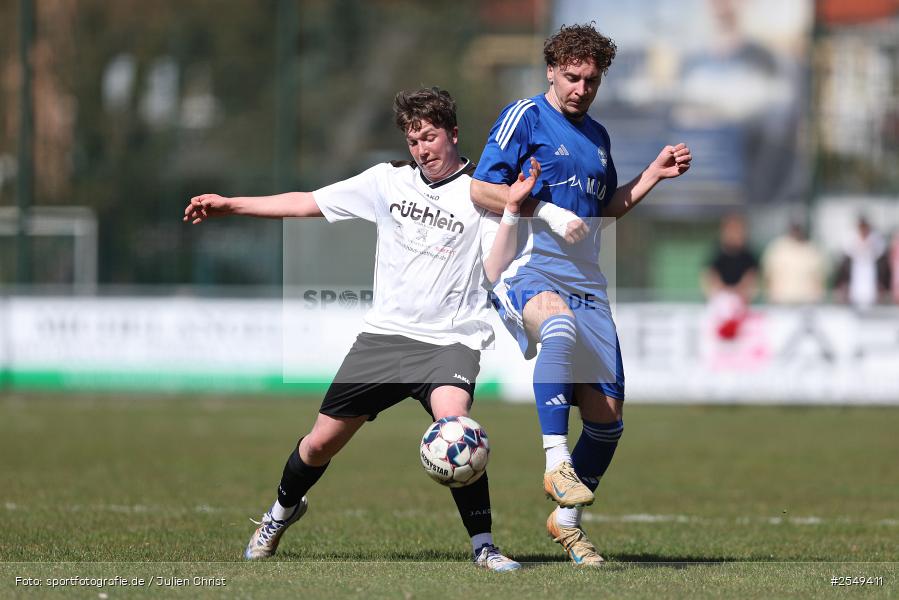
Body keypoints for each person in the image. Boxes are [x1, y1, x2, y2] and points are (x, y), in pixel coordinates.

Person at [183, 87, 537, 571]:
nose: (422, 149)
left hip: (450, 340)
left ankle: (484, 547)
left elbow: (494, 270)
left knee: (456, 428)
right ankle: (280, 513)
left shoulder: (479, 193)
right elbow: (307, 202)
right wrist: (233, 205)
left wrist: (513, 209)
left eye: (430, 137)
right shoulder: (386, 182)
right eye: (413, 141)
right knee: (319, 444)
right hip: (385, 338)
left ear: (453, 134)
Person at [469, 23, 692, 566]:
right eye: (572, 77)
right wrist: (543, 209)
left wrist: (651, 177)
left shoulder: (597, 137)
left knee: (608, 417)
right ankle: (555, 460)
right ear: (551, 69)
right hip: (528, 264)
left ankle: (566, 522)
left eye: (591, 81)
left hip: (586, 279)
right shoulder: (525, 116)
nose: (581, 89)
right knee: (559, 328)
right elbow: (479, 188)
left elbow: (603, 209)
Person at [702, 214, 759, 340]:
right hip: (721, 298)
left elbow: (751, 277)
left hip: (741, 299)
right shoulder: (717, 252)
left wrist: (740, 291)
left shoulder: (748, 255)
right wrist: (722, 291)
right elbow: (710, 275)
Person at [760, 222, 827, 305]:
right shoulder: (777, 248)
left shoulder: (812, 250)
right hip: (780, 303)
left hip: (807, 304)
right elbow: (767, 276)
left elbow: (819, 280)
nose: (796, 231)